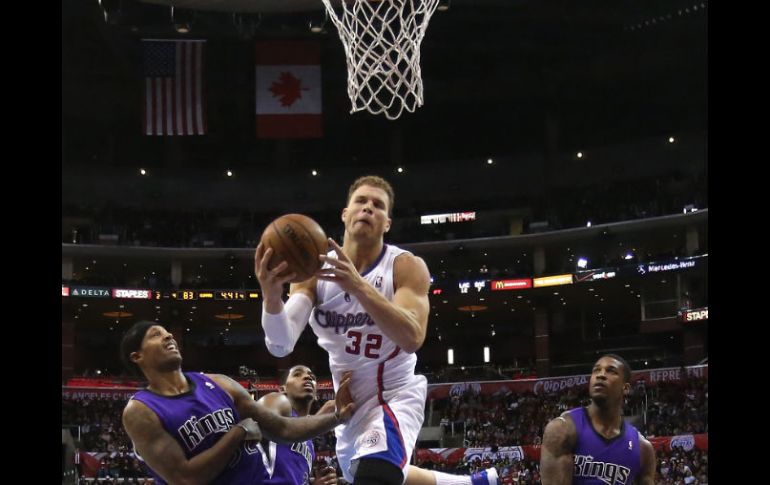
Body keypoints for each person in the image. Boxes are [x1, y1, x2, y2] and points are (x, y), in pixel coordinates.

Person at [256, 175, 497, 485]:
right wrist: (272, 297)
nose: (368, 208)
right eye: (361, 201)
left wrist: (357, 285)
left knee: (377, 472)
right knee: (382, 471)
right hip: (349, 408)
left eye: (378, 205)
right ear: (345, 214)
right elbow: (280, 344)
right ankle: (471, 483)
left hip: (395, 395)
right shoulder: (313, 272)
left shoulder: (404, 266)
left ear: (387, 223)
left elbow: (412, 337)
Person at [120, 320, 356, 485]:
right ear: (137, 356)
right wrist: (238, 432)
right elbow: (186, 478)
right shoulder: (140, 411)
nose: (168, 336)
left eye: (167, 332)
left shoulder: (219, 383)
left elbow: (282, 428)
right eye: (155, 335)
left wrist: (338, 417)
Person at [260, 365, 499, 485]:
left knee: (381, 464)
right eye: (298, 374)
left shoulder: (308, 436)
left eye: (311, 376)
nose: (308, 378)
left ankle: (468, 482)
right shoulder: (277, 401)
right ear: (282, 388)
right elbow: (273, 429)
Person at [539, 354, 656, 485]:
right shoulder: (562, 430)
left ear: (626, 388)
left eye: (611, 371)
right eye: (596, 370)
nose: (600, 375)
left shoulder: (643, 448)